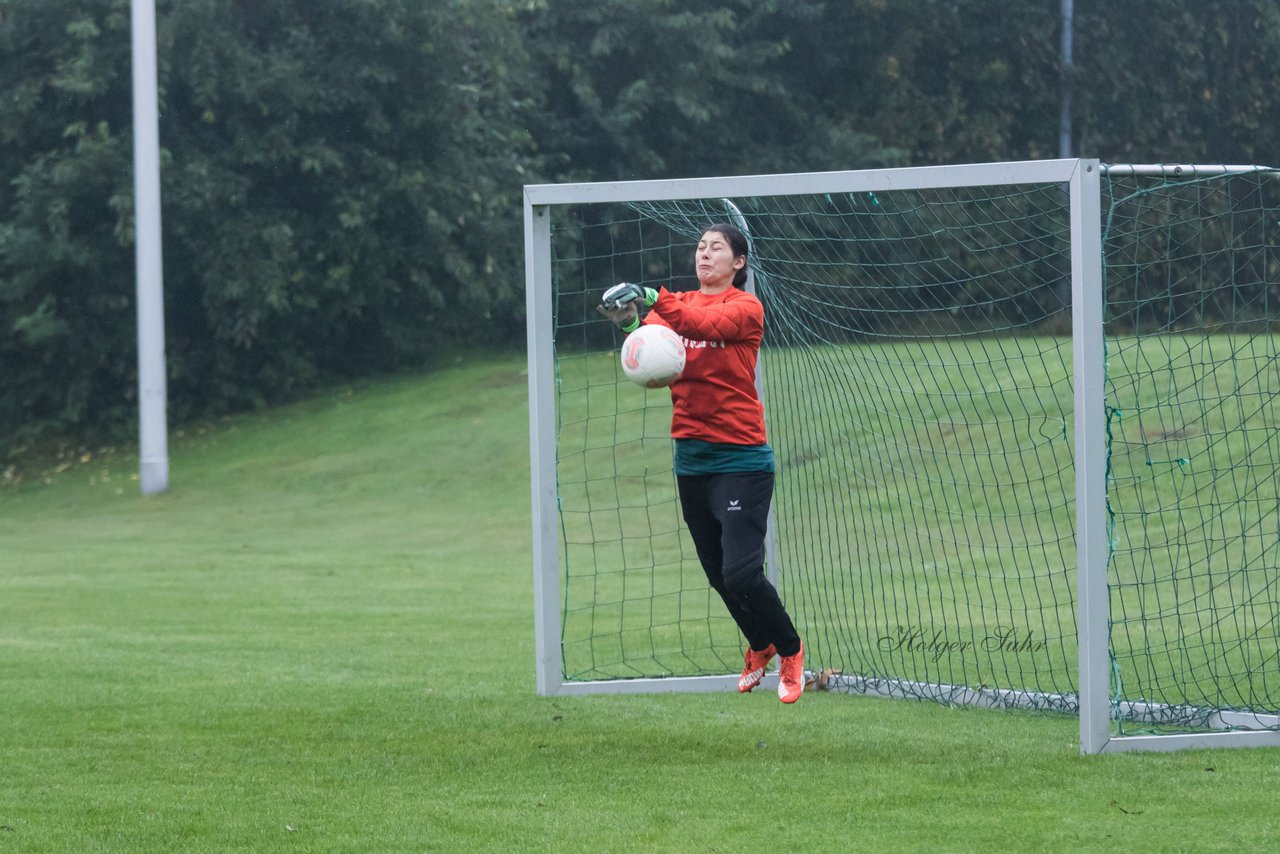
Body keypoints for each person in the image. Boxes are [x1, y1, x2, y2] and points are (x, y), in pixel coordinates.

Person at [597, 223, 805, 704]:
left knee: (742, 574)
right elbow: (649, 350)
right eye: (700, 248)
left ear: (739, 263)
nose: (705, 255)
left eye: (717, 249)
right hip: (692, 459)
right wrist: (628, 321)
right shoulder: (680, 305)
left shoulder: (745, 308)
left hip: (742, 458)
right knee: (717, 575)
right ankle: (760, 644)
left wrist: (651, 294)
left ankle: (791, 652)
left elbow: (702, 328)